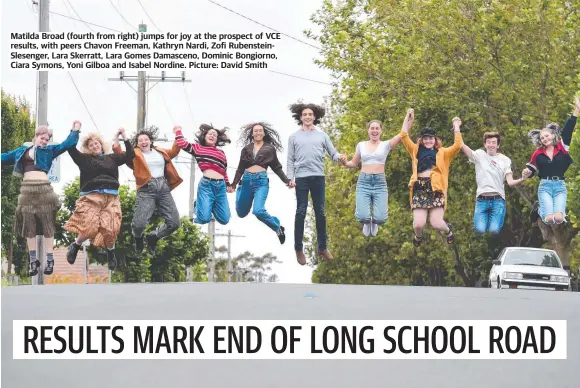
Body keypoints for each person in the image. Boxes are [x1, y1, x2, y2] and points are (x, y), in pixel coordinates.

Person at [1, 121, 81, 276]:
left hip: (44, 188)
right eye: (42, 138)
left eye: (47, 139)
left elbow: (67, 144)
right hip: (26, 190)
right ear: (35, 137)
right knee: (28, 224)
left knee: (47, 223)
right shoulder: (21, 151)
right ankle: (33, 260)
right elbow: (3, 158)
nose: (44, 141)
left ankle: (49, 259)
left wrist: (75, 130)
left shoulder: (50, 150)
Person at [64, 128, 135, 270]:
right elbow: (70, 148)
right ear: (87, 148)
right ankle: (75, 245)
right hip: (91, 196)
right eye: (91, 145)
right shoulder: (84, 160)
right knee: (90, 226)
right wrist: (74, 130)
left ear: (101, 144)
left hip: (111, 197)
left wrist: (125, 137)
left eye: (96, 143)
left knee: (111, 228)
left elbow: (130, 155)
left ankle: (110, 253)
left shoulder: (112, 158)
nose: (94, 146)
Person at [286, 102, 347, 265]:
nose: (307, 117)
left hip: (318, 177)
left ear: (315, 117)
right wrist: (290, 178)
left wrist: (340, 157)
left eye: (310, 115)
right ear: (300, 117)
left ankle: (322, 247)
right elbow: (290, 160)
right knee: (301, 211)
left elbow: (333, 153)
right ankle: (298, 248)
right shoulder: (293, 137)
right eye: (305, 114)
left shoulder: (322, 136)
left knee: (320, 212)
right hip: (301, 179)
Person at [112, 130, 182, 254]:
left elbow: (175, 150)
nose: (143, 142)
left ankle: (154, 236)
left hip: (163, 189)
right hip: (146, 190)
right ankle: (138, 237)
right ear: (137, 143)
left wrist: (178, 133)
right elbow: (118, 152)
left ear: (150, 140)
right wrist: (117, 137)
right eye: (140, 140)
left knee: (174, 223)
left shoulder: (161, 151)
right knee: (139, 225)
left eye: (146, 139)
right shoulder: (134, 155)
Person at [400, 110, 463, 246]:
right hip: (420, 188)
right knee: (418, 224)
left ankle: (448, 231)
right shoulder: (415, 150)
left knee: (436, 223)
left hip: (436, 189)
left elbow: (458, 145)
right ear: (422, 140)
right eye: (426, 138)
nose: (428, 141)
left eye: (431, 138)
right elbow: (404, 135)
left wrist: (456, 126)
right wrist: (408, 118)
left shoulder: (443, 152)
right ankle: (418, 237)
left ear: (435, 140)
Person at [343, 113, 405, 236]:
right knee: (362, 217)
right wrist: (344, 162)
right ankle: (367, 222)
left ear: (381, 131)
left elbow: (402, 134)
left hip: (379, 183)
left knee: (381, 219)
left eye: (377, 128)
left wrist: (409, 118)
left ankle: (374, 221)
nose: (374, 130)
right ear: (368, 130)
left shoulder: (385, 145)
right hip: (363, 182)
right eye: (372, 128)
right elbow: (354, 163)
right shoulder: (361, 145)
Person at [230, 122, 292, 244]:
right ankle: (240, 189)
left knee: (258, 211)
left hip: (261, 182)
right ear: (252, 134)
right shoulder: (246, 149)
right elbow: (240, 169)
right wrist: (233, 184)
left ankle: (277, 228)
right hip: (246, 181)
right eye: (255, 131)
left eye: (260, 131)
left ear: (263, 133)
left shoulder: (269, 149)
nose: (258, 133)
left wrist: (287, 181)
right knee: (241, 213)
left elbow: (277, 168)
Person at [523, 96, 579, 225]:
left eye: (547, 135)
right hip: (545, 186)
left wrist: (576, 111)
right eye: (542, 138)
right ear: (540, 141)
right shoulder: (538, 153)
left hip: (560, 186)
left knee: (558, 219)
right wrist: (526, 172)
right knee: (548, 220)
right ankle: (539, 210)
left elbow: (568, 130)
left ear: (553, 136)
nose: (544, 139)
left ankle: (547, 212)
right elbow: (531, 169)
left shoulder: (562, 147)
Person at [461, 132, 526, 234]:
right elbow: (462, 145)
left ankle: (500, 213)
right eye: (488, 142)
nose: (491, 145)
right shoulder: (479, 155)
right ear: (484, 144)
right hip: (482, 200)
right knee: (479, 229)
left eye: (493, 142)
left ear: (498, 145)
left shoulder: (505, 160)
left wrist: (522, 178)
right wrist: (456, 128)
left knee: (494, 230)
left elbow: (510, 182)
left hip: (498, 200)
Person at [174, 124, 232, 225]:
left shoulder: (221, 153)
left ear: (217, 139)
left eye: (215, 135)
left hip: (221, 187)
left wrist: (228, 184)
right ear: (204, 136)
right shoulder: (198, 148)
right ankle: (198, 205)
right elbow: (181, 143)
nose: (212, 135)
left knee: (225, 220)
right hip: (207, 185)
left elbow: (224, 170)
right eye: (210, 134)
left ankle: (209, 204)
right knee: (205, 219)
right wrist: (178, 131)